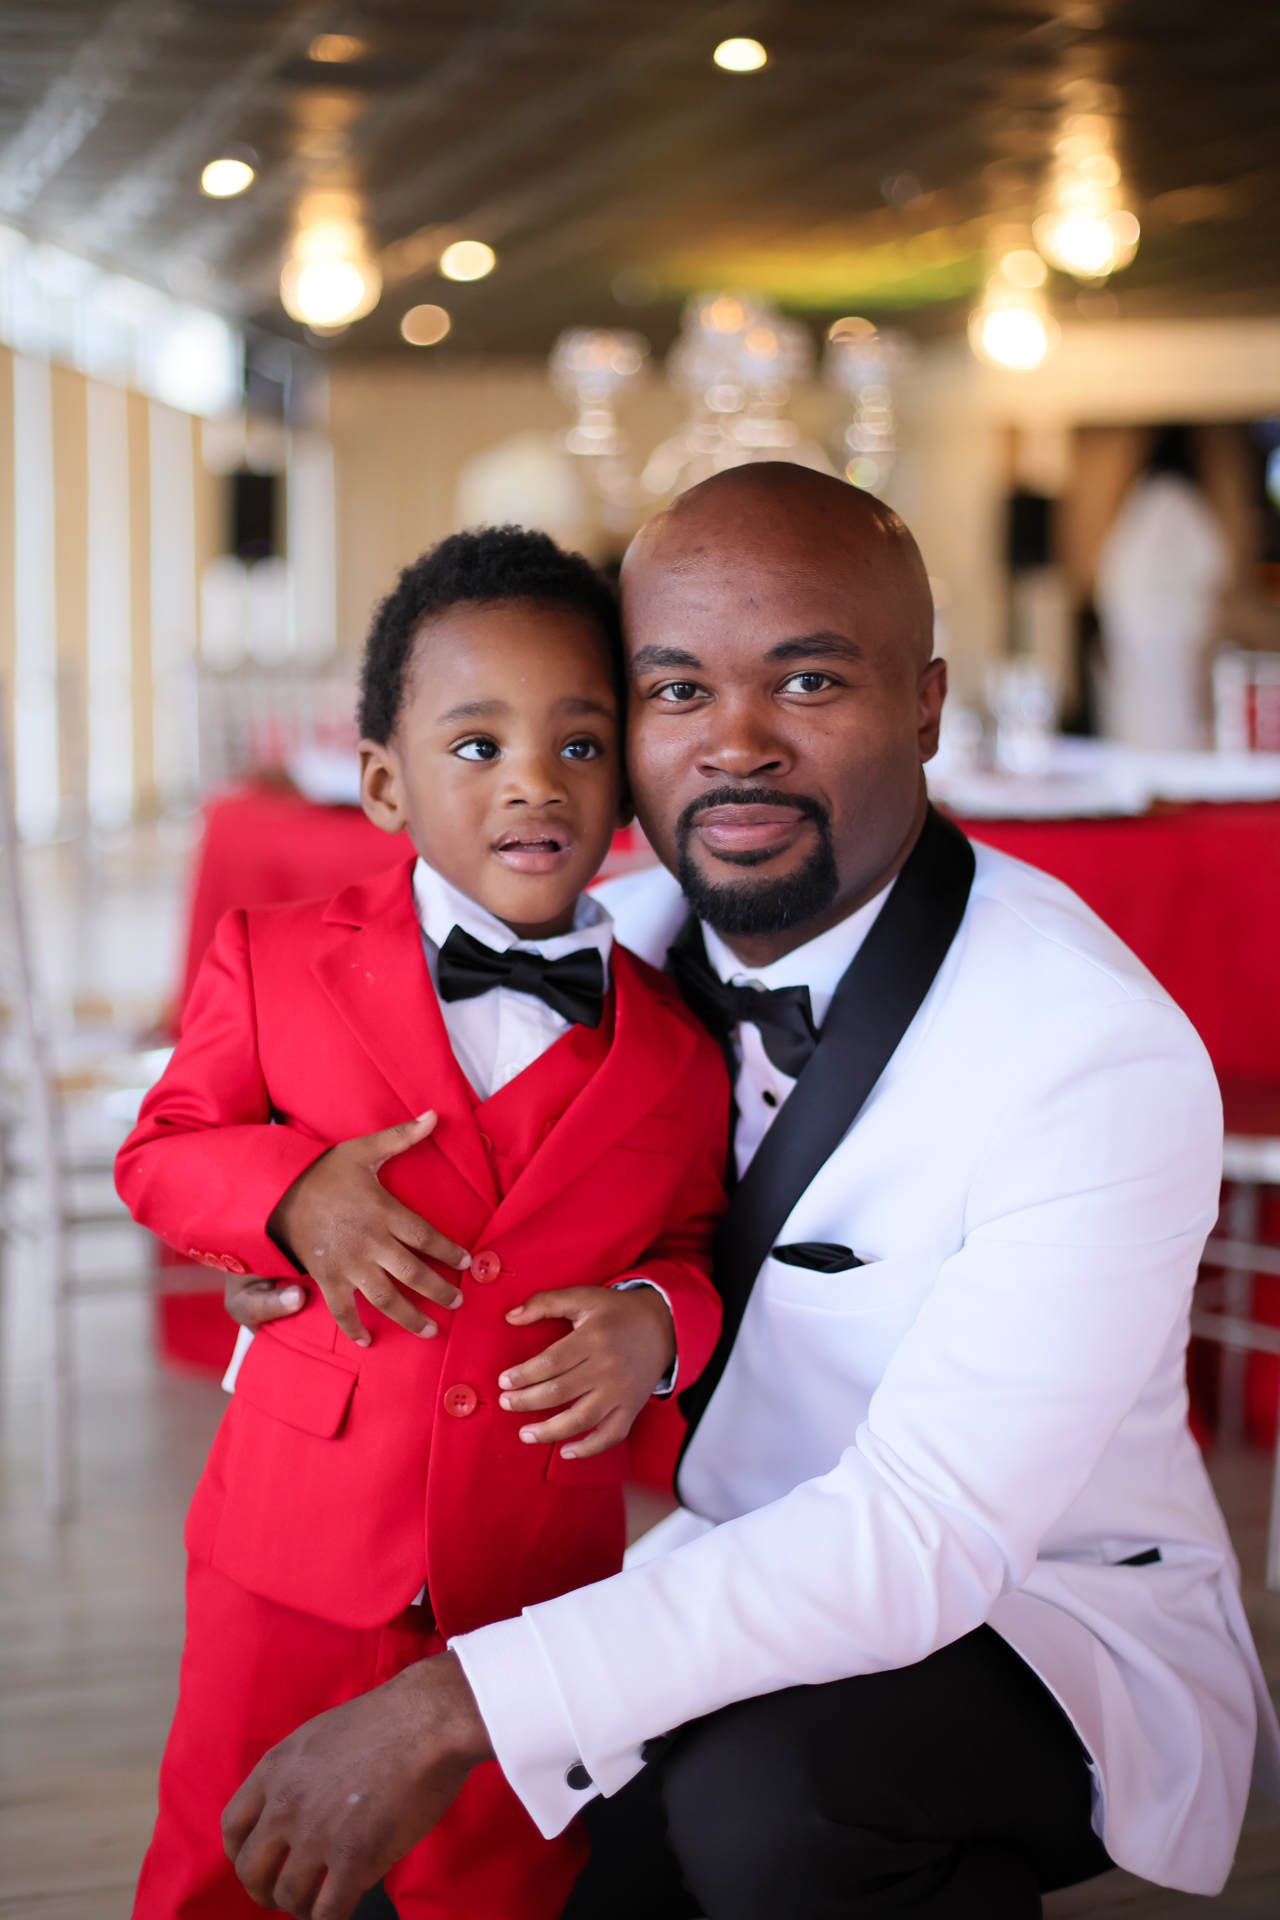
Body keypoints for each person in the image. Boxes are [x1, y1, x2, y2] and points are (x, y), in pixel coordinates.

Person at [221, 466, 1280, 1920]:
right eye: (675, 691)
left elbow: (922, 1534)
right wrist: (289, 1221)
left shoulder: (1088, 1049)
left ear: (926, 705)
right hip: (728, 1571)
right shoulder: (605, 952)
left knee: (774, 1811)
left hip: (1038, 1611)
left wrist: (455, 1703)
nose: (733, 744)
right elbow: (348, 1123)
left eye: (807, 680)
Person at [114, 527, 728, 1920]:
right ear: (385, 782)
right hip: (292, 1540)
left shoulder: (677, 1053)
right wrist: (287, 1196)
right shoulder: (274, 960)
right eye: (478, 745)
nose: (533, 780)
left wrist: (656, 1327)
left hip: (529, 1580)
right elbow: (161, 1156)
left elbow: (695, 1252)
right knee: (225, 1854)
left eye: (581, 744)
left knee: (503, 1882)